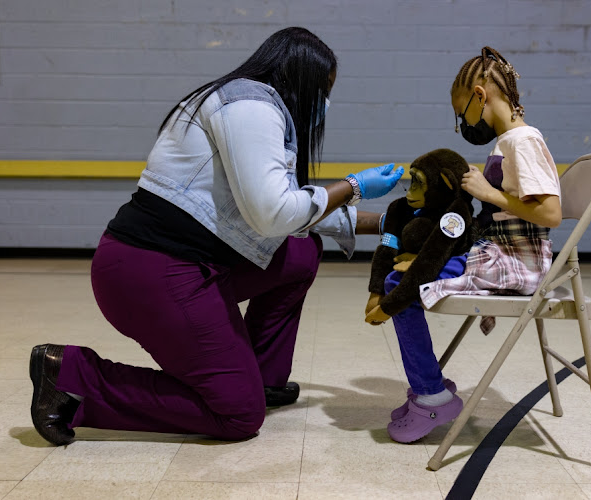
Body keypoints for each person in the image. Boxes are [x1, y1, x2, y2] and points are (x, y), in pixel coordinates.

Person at [28, 27, 404, 446]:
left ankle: (261, 378)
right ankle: (70, 375)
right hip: (152, 272)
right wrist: (352, 185)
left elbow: (291, 212)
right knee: (239, 415)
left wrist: (390, 222)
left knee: (299, 254)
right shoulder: (249, 107)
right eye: (324, 90)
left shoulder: (252, 105)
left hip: (188, 265)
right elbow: (277, 213)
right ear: (300, 79)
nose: (326, 104)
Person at [366, 46, 562, 443]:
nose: (463, 124)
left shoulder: (521, 141)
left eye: (462, 114)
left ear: (479, 95)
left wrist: (489, 194)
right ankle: (430, 388)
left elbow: (551, 214)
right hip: (500, 254)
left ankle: (431, 395)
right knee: (406, 267)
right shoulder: (509, 142)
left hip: (516, 262)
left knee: (397, 286)